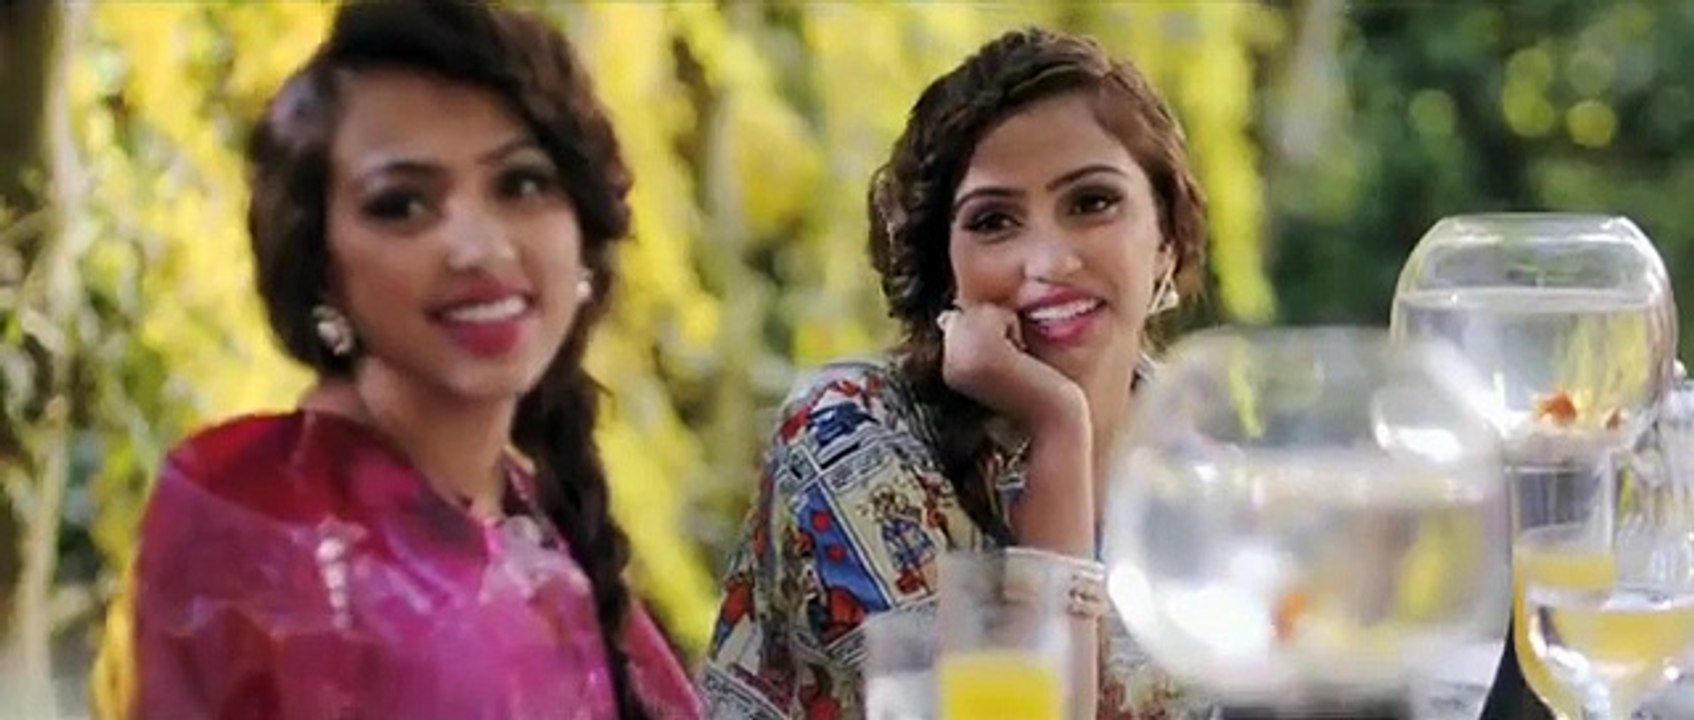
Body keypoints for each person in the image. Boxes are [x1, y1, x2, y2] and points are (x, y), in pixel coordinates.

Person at [123, 2, 700, 718]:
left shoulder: (548, 527)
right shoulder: (255, 519)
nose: (479, 249)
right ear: (319, 262)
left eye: (521, 185)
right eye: (402, 205)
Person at [701, 27, 1210, 720]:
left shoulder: (1207, 475)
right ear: (946, 270)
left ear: (1166, 242)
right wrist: (1060, 428)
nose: (1048, 263)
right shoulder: (849, 440)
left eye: (1092, 203)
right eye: (995, 221)